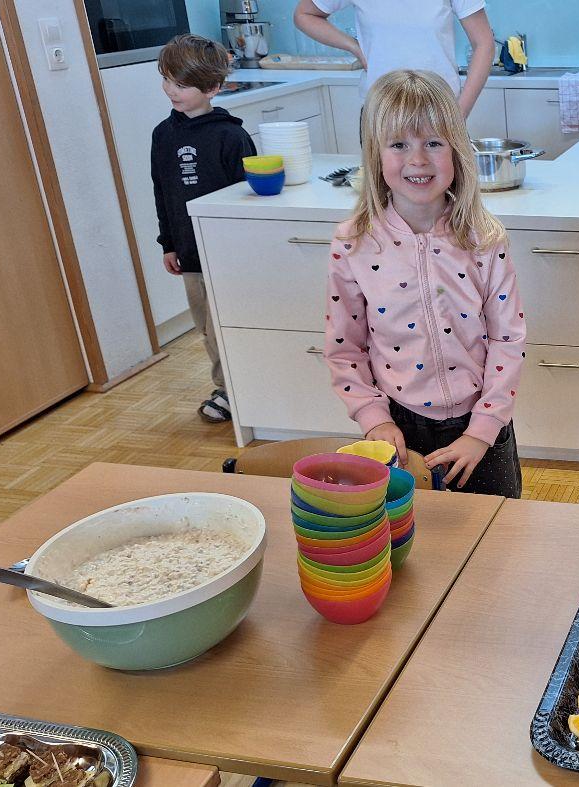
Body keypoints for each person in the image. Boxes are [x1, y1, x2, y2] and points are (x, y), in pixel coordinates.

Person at [324, 70, 525, 496]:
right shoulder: (353, 243)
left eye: (433, 143)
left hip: (480, 426)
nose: (418, 160)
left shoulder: (484, 238)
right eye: (399, 144)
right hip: (398, 427)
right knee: (411, 528)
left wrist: (483, 429)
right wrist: (373, 419)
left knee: (498, 527)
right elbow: (345, 348)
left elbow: (508, 338)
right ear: (375, 154)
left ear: (457, 151)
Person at [150, 34, 257, 423]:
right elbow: (163, 190)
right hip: (190, 253)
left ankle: (238, 388)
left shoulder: (231, 136)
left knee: (228, 324)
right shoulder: (163, 135)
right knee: (208, 329)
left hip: (228, 256)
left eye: (182, 84)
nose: (171, 90)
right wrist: (168, 242)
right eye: (167, 80)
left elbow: (249, 198)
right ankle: (226, 386)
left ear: (212, 88)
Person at [293, 0, 495, 118]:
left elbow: (484, 44)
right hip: (381, 111)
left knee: (446, 180)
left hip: (438, 110)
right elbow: (304, 14)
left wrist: (459, 113)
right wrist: (355, 47)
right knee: (382, 180)